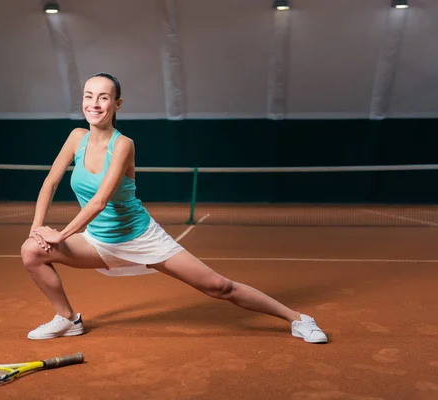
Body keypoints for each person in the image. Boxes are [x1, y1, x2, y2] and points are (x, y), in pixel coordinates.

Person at [20, 72, 328, 344]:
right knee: (31, 250)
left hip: (141, 238)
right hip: (98, 243)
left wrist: (61, 235)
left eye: (104, 97)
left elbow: (100, 200)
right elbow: (50, 183)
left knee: (220, 287)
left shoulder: (123, 144)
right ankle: (68, 319)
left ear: (117, 104)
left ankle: (298, 319)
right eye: (89, 96)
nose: (94, 104)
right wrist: (37, 227)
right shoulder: (77, 138)